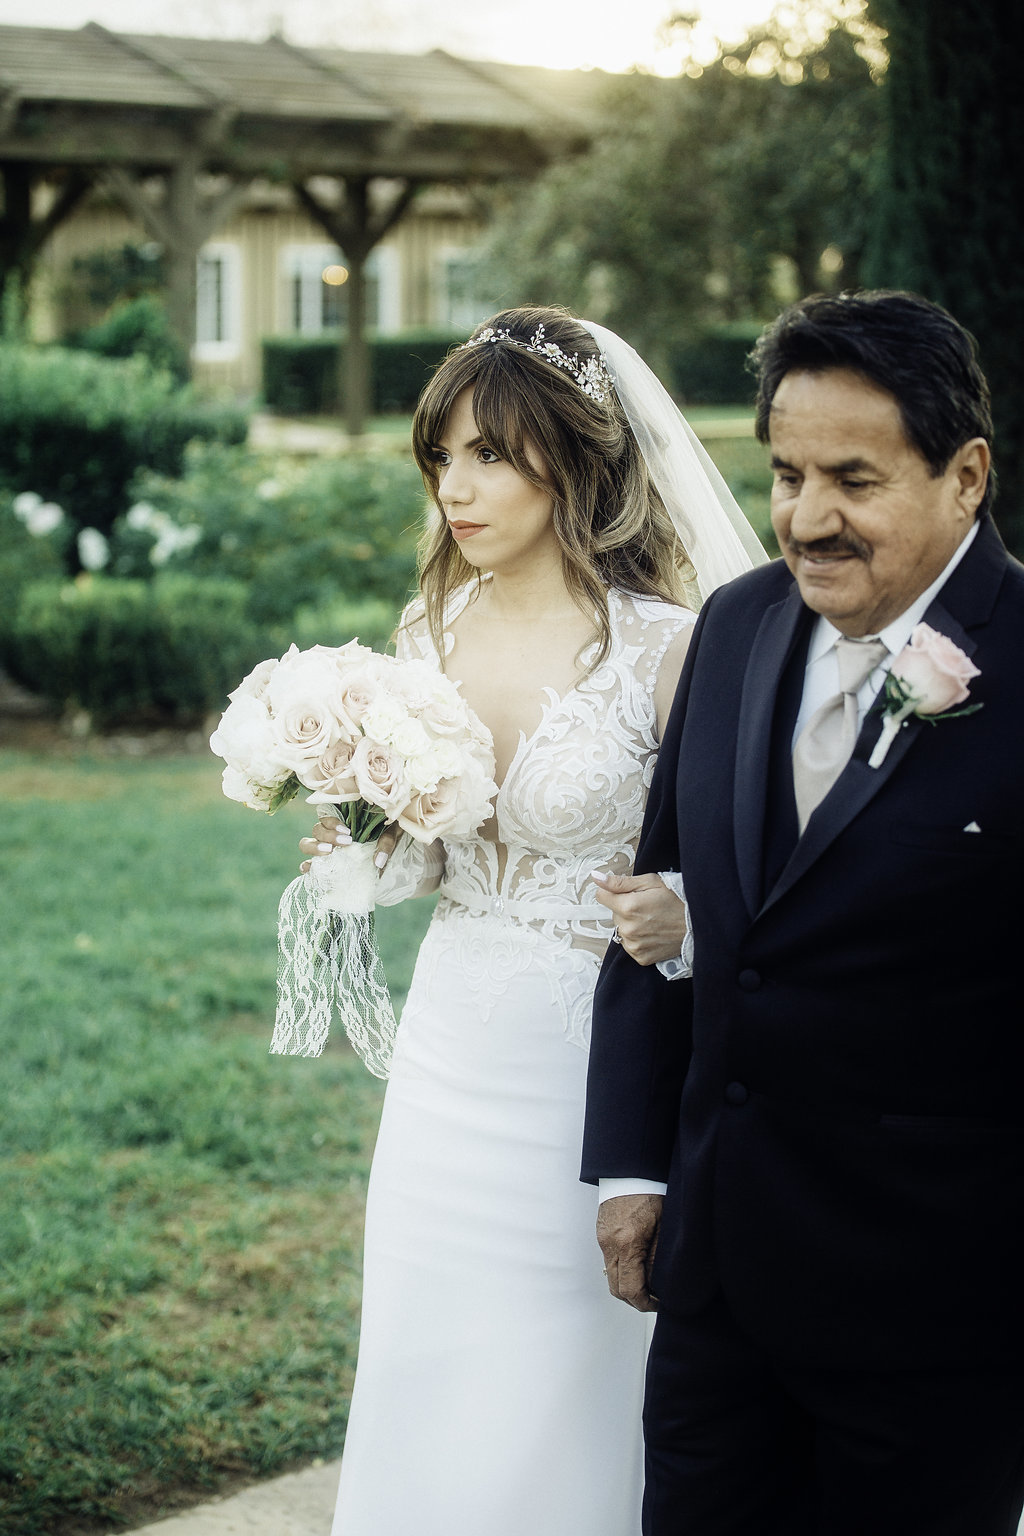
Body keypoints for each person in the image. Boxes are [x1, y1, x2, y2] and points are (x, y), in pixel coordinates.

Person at [298, 306, 764, 1536]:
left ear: (576, 459)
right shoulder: (425, 635)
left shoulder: (670, 651)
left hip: (587, 1073)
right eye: (442, 457)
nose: (457, 486)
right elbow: (443, 860)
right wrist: (367, 856)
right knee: (425, 1356)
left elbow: (749, 880)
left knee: (565, 1383)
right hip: (449, 1061)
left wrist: (683, 914)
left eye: (492, 454)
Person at [582, 289, 1024, 1536]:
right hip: (717, 1287)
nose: (807, 519)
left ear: (965, 477)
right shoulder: (735, 627)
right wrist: (629, 1168)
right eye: (784, 475)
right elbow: (656, 900)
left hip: (938, 1308)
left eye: (852, 478)